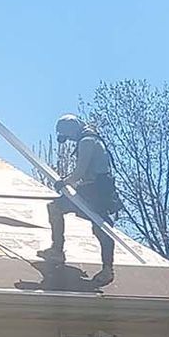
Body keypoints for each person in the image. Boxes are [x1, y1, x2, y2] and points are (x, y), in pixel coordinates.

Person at [45, 113, 122, 285]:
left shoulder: (87, 141)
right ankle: (106, 268)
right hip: (97, 189)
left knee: (101, 227)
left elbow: (80, 172)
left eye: (68, 135)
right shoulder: (92, 138)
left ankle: (58, 251)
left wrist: (64, 182)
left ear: (72, 129)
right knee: (101, 226)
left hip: (94, 191)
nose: (70, 139)